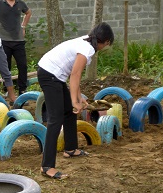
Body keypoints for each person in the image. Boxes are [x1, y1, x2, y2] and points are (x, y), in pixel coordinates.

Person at [37, 23, 114, 180]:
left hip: (56, 75)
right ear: (105, 41)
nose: (105, 47)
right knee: (55, 119)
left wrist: (79, 98)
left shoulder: (86, 41)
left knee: (68, 112)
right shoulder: (87, 49)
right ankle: (47, 167)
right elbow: (75, 75)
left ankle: (71, 148)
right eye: (107, 44)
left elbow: (73, 73)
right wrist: (75, 101)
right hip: (49, 74)